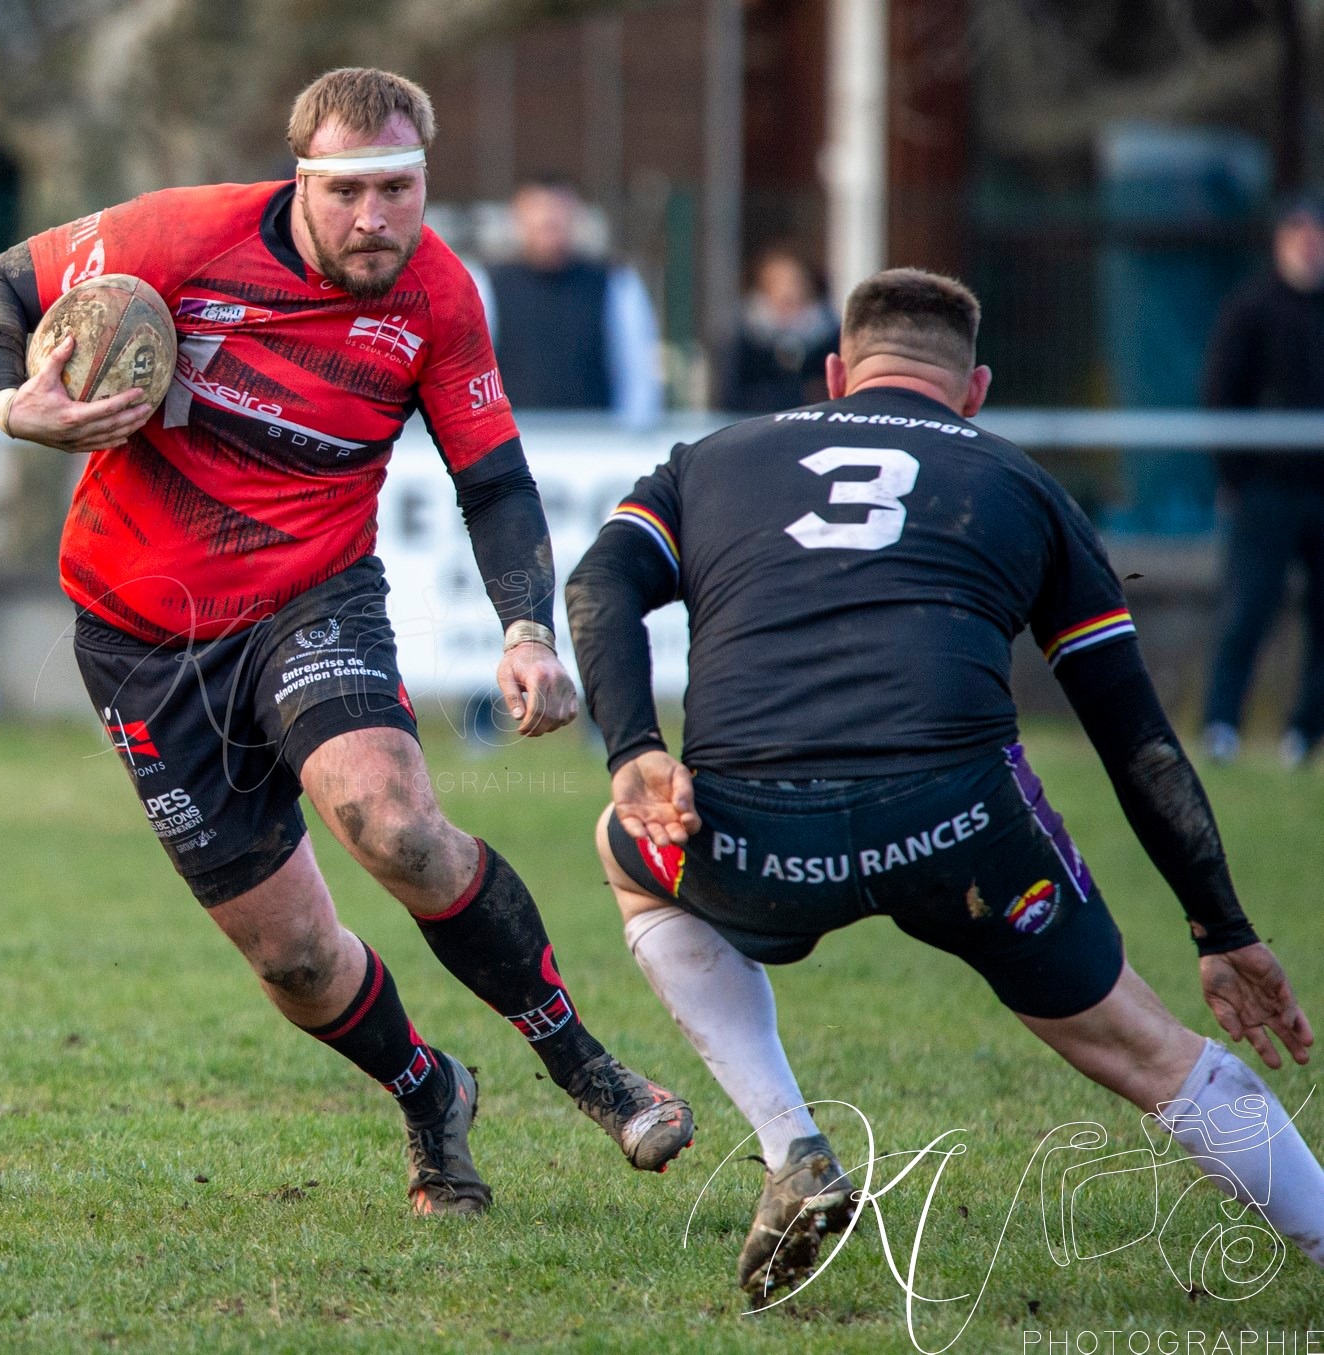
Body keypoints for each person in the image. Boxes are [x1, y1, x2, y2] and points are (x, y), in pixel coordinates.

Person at [0, 67, 692, 1215]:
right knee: (292, 956)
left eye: (399, 188)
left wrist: (526, 628)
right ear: (302, 181)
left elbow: (491, 479)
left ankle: (584, 1065)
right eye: (348, 192)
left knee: (393, 823)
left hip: (311, 601)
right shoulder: (183, 235)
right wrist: (11, 405)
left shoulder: (437, 295)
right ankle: (427, 1086)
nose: (376, 218)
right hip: (138, 633)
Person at [567, 268, 1323, 1298]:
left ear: (835, 375)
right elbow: (1135, 739)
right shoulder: (1023, 485)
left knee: (628, 859)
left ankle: (792, 1143)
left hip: (748, 831)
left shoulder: (709, 459)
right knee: (1152, 1053)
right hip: (957, 830)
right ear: (974, 391)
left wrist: (631, 748)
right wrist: (1217, 927)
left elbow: (597, 579)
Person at [1200, 193, 1324, 767]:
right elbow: (1223, 395)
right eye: (1299, 233)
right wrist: (1238, 477)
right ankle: (1221, 725)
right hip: (1267, 492)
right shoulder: (1250, 309)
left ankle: (1305, 734)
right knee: (1248, 608)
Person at [468, 176, 663, 427]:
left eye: (558, 210)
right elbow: (471, 375)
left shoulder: (616, 283)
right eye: (538, 210)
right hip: (511, 443)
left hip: (595, 447)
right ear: (518, 215)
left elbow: (638, 375)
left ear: (577, 214)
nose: (548, 220)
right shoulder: (484, 284)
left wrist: (630, 442)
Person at [716, 245, 838, 414]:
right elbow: (731, 396)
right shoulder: (747, 339)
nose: (787, 292)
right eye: (778, 282)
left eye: (795, 281)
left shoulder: (829, 337)